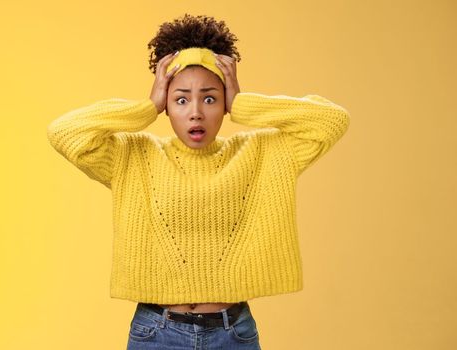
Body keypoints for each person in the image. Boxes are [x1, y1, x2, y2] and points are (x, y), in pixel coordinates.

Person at [46, 14, 350, 349]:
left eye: (210, 98)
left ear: (224, 104)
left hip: (232, 334)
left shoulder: (258, 154)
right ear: (167, 105)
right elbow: (64, 132)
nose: (195, 112)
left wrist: (243, 103)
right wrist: (146, 107)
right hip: (156, 333)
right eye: (180, 99)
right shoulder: (134, 157)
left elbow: (331, 121)